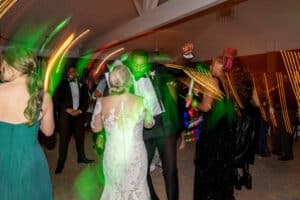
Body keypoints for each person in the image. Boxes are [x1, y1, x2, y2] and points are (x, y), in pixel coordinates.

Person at [91, 64, 154, 200]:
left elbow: (96, 128)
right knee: (137, 188)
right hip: (135, 154)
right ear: (129, 81)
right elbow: (149, 125)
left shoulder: (101, 102)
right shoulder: (142, 101)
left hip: (113, 154)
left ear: (111, 81)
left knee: (115, 189)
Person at [125, 50, 181, 200]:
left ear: (148, 64)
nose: (138, 68)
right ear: (130, 64)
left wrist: (185, 55)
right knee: (142, 171)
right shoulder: (126, 78)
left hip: (164, 125)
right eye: (135, 65)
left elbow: (177, 69)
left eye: (142, 65)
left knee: (170, 170)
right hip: (142, 131)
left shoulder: (156, 69)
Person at [0, 46, 55, 200]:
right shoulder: (43, 97)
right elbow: (49, 132)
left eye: (2, 64)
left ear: (11, 66)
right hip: (30, 160)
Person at [193, 56, 236, 200]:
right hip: (224, 129)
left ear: (219, 65)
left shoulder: (213, 80)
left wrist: (194, 102)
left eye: (212, 64)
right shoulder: (226, 80)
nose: (210, 67)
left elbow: (206, 107)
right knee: (221, 165)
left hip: (212, 130)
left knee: (208, 165)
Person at [53, 66, 94, 174]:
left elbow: (86, 100)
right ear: (67, 74)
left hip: (79, 116)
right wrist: (66, 109)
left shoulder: (83, 85)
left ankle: (81, 157)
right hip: (66, 116)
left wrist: (80, 111)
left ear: (77, 73)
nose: (71, 73)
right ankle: (60, 163)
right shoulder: (62, 84)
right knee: (63, 141)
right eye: (69, 71)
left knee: (80, 138)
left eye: (73, 71)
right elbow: (56, 98)